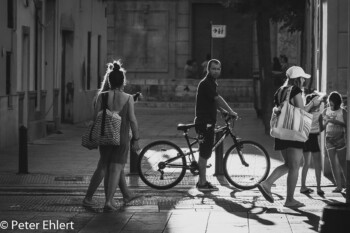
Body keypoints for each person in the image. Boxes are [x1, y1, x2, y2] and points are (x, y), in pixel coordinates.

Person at [257, 66, 322, 207]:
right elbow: (301, 111)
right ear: (298, 79)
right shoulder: (295, 90)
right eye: (303, 78)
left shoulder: (280, 91)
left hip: (281, 132)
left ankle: (267, 184)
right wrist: (313, 103)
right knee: (295, 166)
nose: (304, 80)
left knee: (291, 164)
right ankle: (289, 199)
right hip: (293, 132)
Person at [82, 60, 142, 212]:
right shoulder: (128, 98)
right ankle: (109, 201)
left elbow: (95, 118)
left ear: (109, 80)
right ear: (123, 81)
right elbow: (133, 120)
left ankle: (88, 198)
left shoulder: (101, 97)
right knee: (116, 168)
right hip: (121, 136)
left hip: (105, 135)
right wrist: (136, 139)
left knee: (102, 166)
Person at [194, 59, 238, 191]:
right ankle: (202, 183)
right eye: (213, 69)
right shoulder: (206, 83)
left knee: (206, 151)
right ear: (208, 69)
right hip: (204, 123)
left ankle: (201, 181)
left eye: (218, 69)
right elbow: (217, 98)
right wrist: (230, 111)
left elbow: (213, 102)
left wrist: (223, 112)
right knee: (204, 153)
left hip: (207, 122)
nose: (216, 71)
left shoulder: (211, 83)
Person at [320, 91, 347, 193]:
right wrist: (325, 122)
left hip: (340, 139)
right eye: (329, 103)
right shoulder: (325, 111)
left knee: (342, 163)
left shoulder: (343, 112)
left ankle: (347, 185)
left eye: (333, 104)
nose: (330, 106)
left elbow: (347, 126)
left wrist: (336, 122)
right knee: (332, 163)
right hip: (329, 140)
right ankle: (339, 186)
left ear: (337, 103)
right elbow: (322, 128)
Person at [300, 93, 324, 196]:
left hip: (305, 137)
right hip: (313, 137)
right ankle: (318, 188)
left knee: (306, 163)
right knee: (317, 164)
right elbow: (321, 128)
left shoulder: (305, 111)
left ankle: (302, 186)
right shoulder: (319, 112)